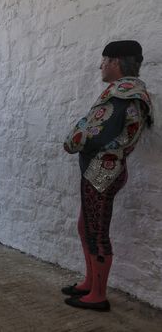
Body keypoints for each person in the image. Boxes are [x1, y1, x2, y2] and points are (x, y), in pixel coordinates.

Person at [62, 40, 153, 311]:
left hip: (103, 168)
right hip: (106, 167)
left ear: (115, 62)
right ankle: (90, 282)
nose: (100, 66)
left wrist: (72, 141)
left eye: (104, 60)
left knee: (96, 231)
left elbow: (93, 132)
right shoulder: (132, 92)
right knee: (86, 225)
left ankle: (98, 294)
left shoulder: (121, 94)